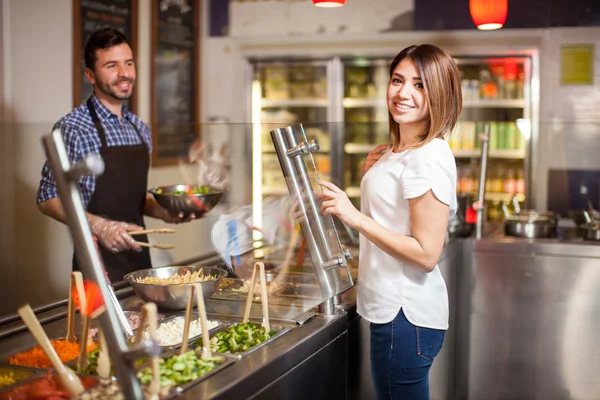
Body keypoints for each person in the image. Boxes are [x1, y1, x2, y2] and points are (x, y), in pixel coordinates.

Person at [318, 44, 461, 399]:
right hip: (394, 314)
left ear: (439, 93)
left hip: (404, 317)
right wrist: (374, 172)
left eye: (419, 85)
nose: (403, 93)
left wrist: (355, 217)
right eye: (398, 80)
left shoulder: (428, 157)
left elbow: (427, 254)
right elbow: (396, 215)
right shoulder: (399, 152)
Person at [37, 27, 194, 283]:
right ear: (90, 75)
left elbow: (131, 199)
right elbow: (47, 198)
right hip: (96, 265)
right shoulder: (73, 128)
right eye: (111, 65)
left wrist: (166, 212)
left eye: (128, 63)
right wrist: (100, 226)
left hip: (141, 262)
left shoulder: (140, 128)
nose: (124, 74)